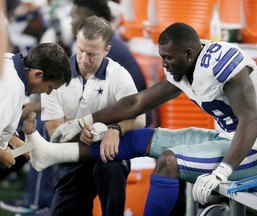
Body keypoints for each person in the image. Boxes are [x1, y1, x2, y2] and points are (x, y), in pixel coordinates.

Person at [24, 22, 257, 215]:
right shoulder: (189, 64)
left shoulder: (222, 65)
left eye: (168, 58)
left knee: (168, 162)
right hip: (228, 139)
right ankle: (51, 154)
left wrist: (223, 171)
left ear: (188, 53)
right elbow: (138, 102)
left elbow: (251, 120)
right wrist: (82, 121)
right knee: (136, 138)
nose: (164, 64)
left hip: (256, 153)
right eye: (162, 57)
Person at [40, 15, 145, 216]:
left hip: (108, 156)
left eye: (92, 54)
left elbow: (140, 119)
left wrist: (116, 129)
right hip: (71, 155)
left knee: (113, 170)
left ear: (106, 50)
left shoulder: (119, 76)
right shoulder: (54, 75)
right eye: (80, 50)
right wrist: (80, 135)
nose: (84, 59)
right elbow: (54, 128)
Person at [70, 0, 151, 126]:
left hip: (129, 120)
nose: (71, 22)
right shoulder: (92, 44)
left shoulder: (101, 49)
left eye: (74, 16)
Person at [0, 42, 71, 169]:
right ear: (37, 74)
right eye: (50, 87)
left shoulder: (9, 61)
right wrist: (3, 156)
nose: (48, 92)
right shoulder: (12, 88)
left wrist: (14, 141)